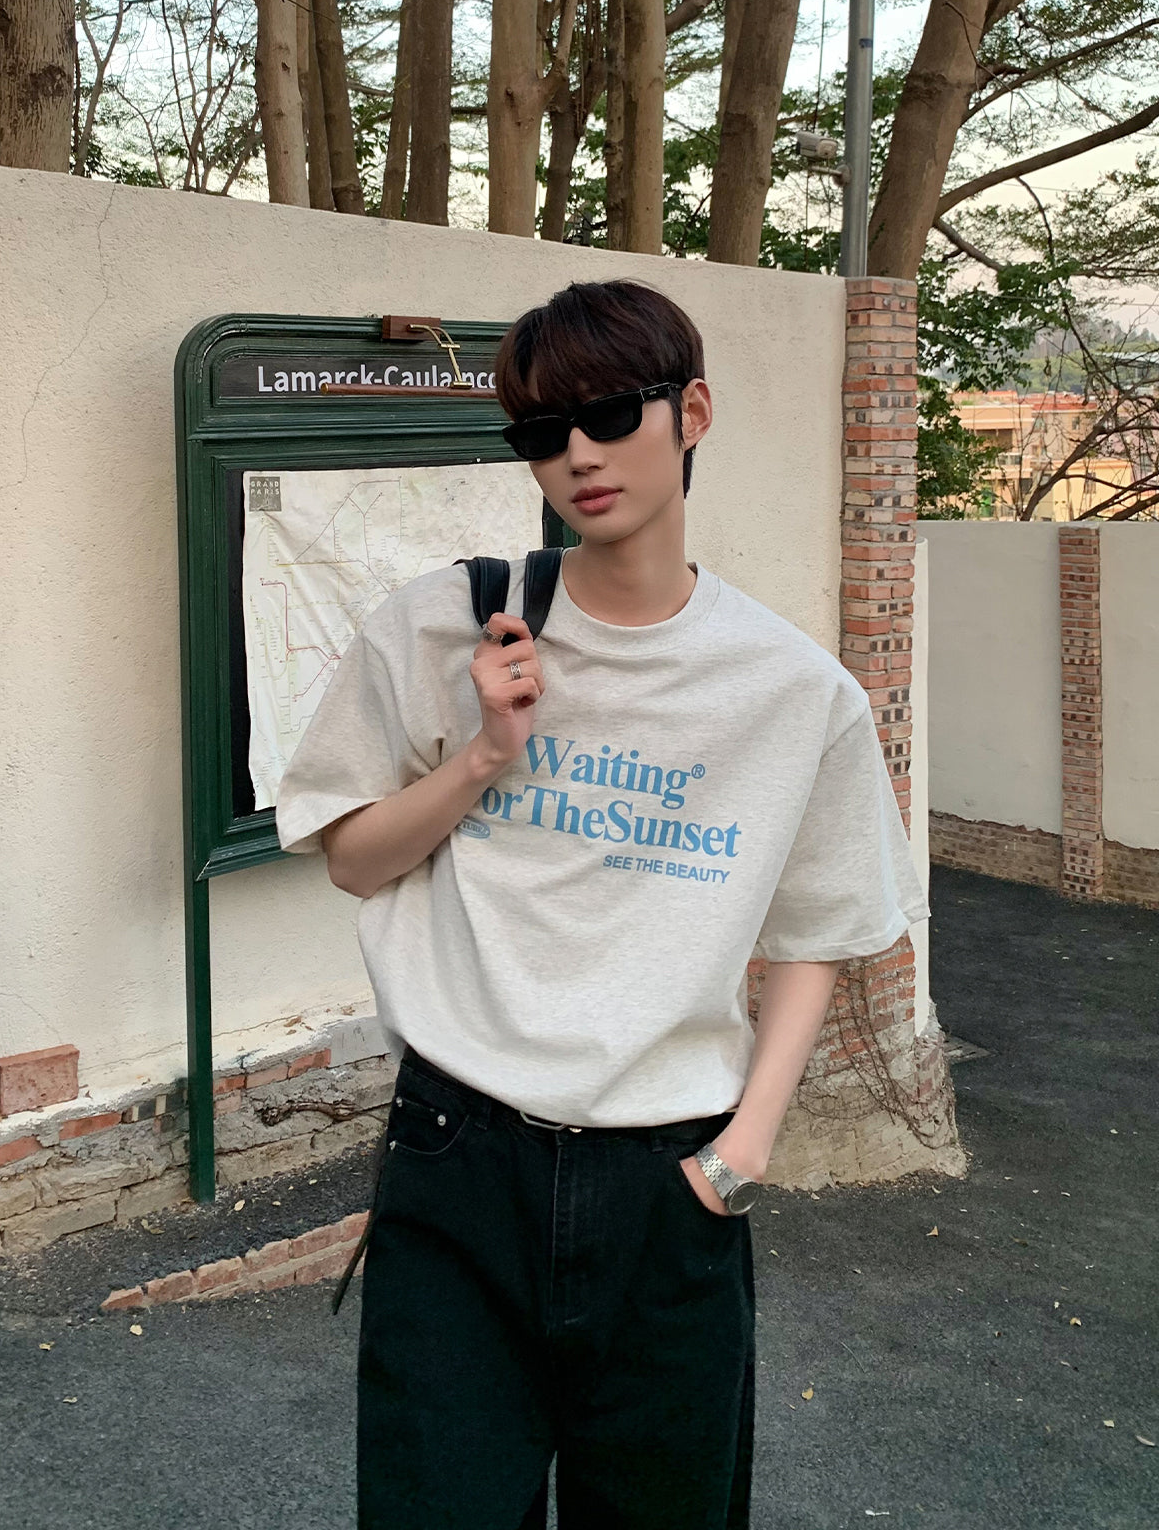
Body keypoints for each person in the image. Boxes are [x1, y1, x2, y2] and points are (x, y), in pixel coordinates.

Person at [275, 278, 930, 1530]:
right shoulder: (450, 625)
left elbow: (818, 931)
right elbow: (353, 857)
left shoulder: (795, 690)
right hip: (460, 1157)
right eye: (541, 431)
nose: (578, 453)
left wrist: (742, 1154)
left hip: (668, 1181)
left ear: (693, 414)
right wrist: (485, 753)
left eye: (611, 415)